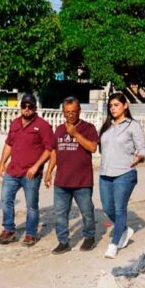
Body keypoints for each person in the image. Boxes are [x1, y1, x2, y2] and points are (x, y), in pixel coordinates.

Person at [0, 94, 54, 247]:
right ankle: (8, 230)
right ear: (20, 107)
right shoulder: (15, 123)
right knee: (6, 199)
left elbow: (49, 150)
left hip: (31, 174)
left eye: (30, 106)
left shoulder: (43, 126)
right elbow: (9, 144)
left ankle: (30, 234)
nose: (27, 109)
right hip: (13, 170)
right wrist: (2, 163)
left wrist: (36, 167)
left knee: (31, 205)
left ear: (35, 108)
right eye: (24, 106)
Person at [44, 97, 99, 254]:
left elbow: (93, 147)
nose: (70, 115)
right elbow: (55, 152)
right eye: (67, 112)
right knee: (60, 214)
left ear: (79, 111)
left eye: (74, 112)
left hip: (82, 181)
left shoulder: (89, 128)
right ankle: (63, 242)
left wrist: (75, 134)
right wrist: (48, 172)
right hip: (61, 181)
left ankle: (89, 237)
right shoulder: (59, 129)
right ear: (63, 112)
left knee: (87, 212)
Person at [98, 92, 145, 259]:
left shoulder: (133, 125)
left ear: (125, 105)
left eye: (116, 105)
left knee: (119, 209)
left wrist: (139, 158)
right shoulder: (106, 126)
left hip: (124, 173)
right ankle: (125, 229)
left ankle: (114, 244)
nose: (113, 108)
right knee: (107, 208)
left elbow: (142, 149)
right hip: (105, 173)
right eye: (110, 106)